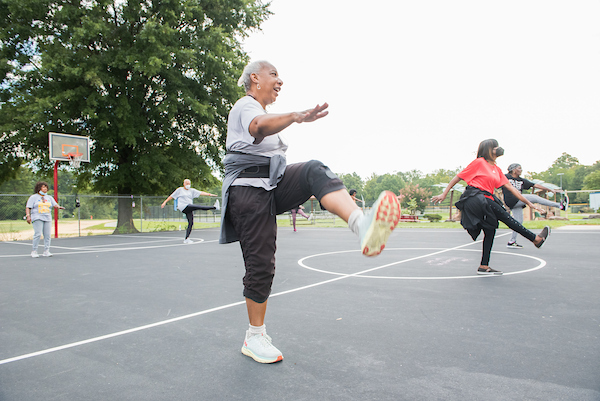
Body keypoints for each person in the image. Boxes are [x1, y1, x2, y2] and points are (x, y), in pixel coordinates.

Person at [220, 60, 401, 364]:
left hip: (271, 184)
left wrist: (292, 118)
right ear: (255, 77)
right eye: (274, 74)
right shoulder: (245, 105)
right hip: (247, 190)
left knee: (313, 171)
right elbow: (258, 128)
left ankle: (361, 225)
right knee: (262, 264)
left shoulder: (263, 111)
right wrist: (295, 116)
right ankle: (254, 336)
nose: (280, 81)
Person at [431, 139, 550, 275]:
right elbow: (458, 177)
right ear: (488, 149)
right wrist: (444, 193)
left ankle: (484, 266)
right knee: (506, 217)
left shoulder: (496, 169)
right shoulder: (479, 162)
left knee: (491, 229)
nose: (498, 149)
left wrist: (529, 203)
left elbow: (511, 188)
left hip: (487, 197)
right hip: (475, 196)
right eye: (495, 147)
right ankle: (536, 239)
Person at [502, 163, 568, 248]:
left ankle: (511, 241)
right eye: (519, 168)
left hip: (517, 203)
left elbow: (535, 185)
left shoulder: (521, 180)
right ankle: (560, 206)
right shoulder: (505, 177)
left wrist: (549, 189)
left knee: (518, 223)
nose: (521, 170)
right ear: (514, 170)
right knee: (534, 197)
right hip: (512, 200)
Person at [161, 179, 218, 243]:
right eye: (187, 183)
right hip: (183, 206)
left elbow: (201, 193)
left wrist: (210, 194)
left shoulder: (192, 191)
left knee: (191, 222)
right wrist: (165, 202)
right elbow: (171, 196)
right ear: (184, 184)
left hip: (189, 207)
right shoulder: (180, 190)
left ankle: (186, 239)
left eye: (189, 184)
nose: (188, 185)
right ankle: (214, 207)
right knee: (198, 207)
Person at [25, 181, 65, 258]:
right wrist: (28, 216)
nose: (45, 188)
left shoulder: (49, 197)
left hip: (47, 217)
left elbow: (55, 204)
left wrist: (59, 207)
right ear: (39, 188)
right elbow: (28, 207)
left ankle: (46, 250)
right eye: (43, 187)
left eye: (46, 187)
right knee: (38, 234)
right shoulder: (33, 197)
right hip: (37, 217)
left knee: (47, 235)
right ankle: (34, 251)